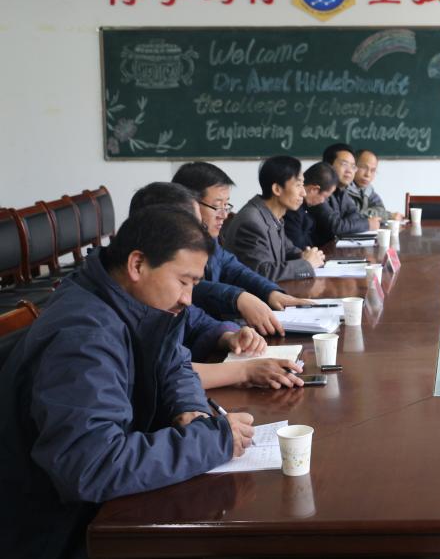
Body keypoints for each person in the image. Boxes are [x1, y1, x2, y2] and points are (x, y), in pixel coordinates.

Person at [0, 207, 255, 558]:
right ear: (137, 264)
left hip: (97, 506)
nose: (188, 298)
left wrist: (191, 408)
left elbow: (175, 360)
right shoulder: (83, 336)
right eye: (184, 281)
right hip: (58, 529)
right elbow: (92, 465)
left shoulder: (139, 303)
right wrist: (212, 441)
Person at [129, 182, 303, 390]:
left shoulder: (173, 268)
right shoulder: (106, 315)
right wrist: (244, 371)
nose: (224, 215)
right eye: (216, 206)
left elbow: (194, 320)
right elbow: (162, 373)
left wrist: (229, 336)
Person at [172, 161, 312, 335]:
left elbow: (232, 268)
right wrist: (237, 298)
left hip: (213, 329)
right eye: (217, 206)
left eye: (226, 205)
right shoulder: (170, 243)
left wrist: (269, 292)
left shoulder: (207, 237)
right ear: (188, 205)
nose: (224, 215)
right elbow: (186, 288)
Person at [221, 156, 326, 281]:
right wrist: (306, 264)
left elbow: (288, 250)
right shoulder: (251, 222)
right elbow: (262, 273)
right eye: (298, 185)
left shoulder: (273, 216)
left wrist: (306, 255)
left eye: (303, 185)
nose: (303, 193)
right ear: (277, 189)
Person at [311, 143, 381, 243]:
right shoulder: (318, 190)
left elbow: (355, 216)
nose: (349, 171)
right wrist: (368, 224)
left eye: (353, 166)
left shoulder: (341, 190)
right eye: (344, 164)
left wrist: (348, 224)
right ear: (328, 165)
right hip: (317, 248)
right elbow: (336, 226)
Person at [284, 161, 339, 250]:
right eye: (325, 197)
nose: (323, 201)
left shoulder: (309, 207)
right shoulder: (293, 210)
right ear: (314, 189)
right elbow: (299, 248)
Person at [349, 148, 403, 221]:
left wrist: (385, 215)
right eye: (364, 168)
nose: (368, 174)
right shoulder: (344, 188)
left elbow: (380, 209)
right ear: (353, 166)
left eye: (373, 170)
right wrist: (389, 215)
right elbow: (354, 216)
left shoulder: (368, 189)